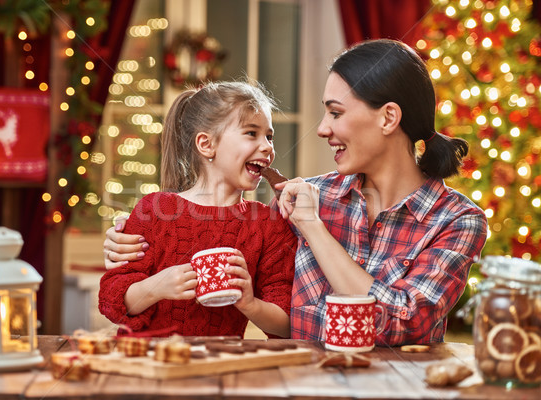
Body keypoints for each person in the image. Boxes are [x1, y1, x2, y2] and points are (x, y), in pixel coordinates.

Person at [103, 39, 487, 346]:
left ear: (388, 117)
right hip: (302, 384)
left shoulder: (457, 220)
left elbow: (401, 322)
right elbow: (195, 228)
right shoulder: (298, 198)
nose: (321, 129)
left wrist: (314, 228)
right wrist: (129, 233)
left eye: (335, 113)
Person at [98, 81, 297, 338]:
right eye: (251, 133)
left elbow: (287, 324)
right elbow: (111, 302)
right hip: (147, 364)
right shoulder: (154, 211)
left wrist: (251, 304)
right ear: (206, 144)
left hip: (219, 369)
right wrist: (157, 286)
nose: (268, 147)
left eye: (269, 136)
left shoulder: (268, 224)